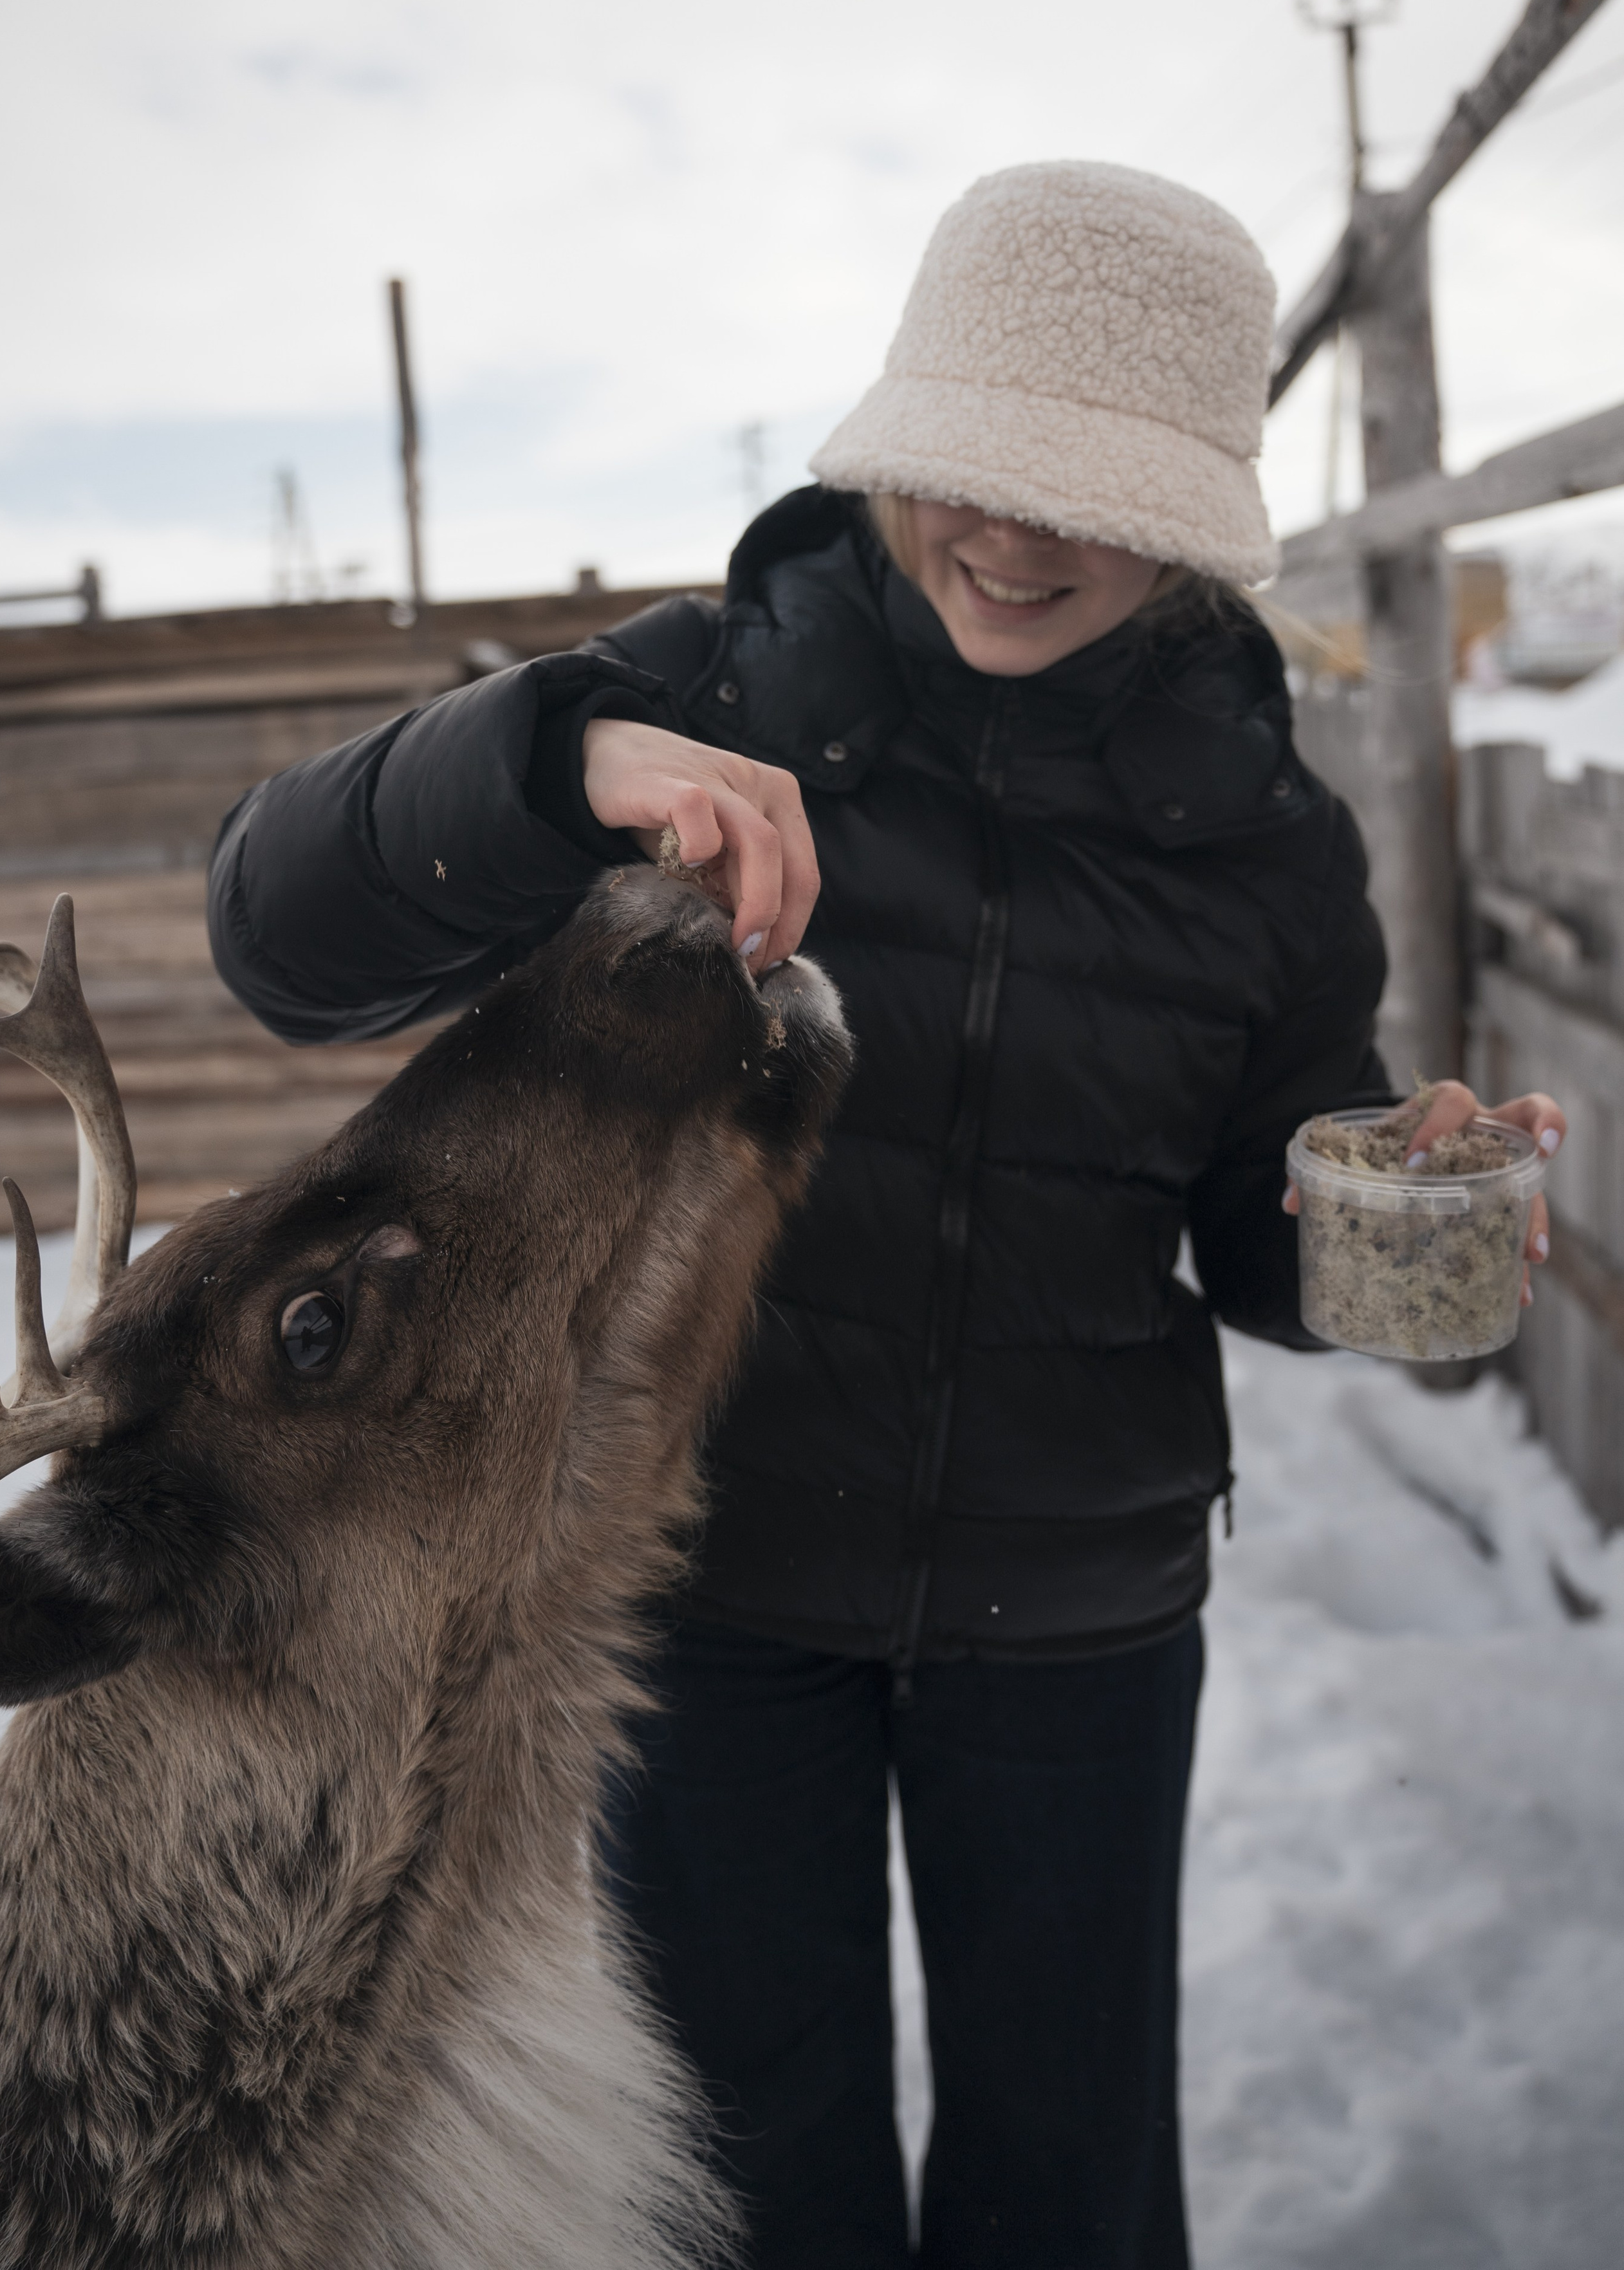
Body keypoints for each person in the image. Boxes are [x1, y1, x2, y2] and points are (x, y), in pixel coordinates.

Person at [208, 162, 1563, 2269]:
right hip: (716, 1582)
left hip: (1089, 1612)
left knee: (1074, 2171)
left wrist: (1391, 1206)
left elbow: (1253, 1215)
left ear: (1196, 512)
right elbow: (273, 934)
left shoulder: (1270, 841)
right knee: (746, 2173)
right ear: (897, 435)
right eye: (971, 468)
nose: (1012, 534)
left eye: (1085, 492)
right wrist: (554, 769)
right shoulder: (700, 704)